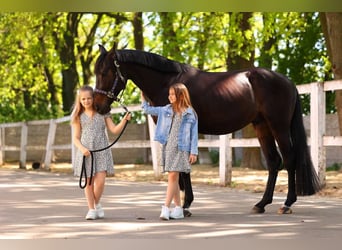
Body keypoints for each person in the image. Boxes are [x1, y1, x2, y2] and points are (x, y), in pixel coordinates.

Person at [71, 85, 131, 220]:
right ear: (79, 100)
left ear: (94, 98)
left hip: (101, 150)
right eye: (83, 99)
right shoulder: (78, 116)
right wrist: (82, 149)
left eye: (89, 98)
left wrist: (124, 120)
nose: (86, 101)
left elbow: (114, 130)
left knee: (101, 181)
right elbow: (75, 138)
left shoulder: (103, 112)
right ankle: (92, 209)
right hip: (86, 151)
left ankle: (96, 204)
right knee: (88, 182)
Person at [141, 83, 198, 220]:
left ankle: (165, 207)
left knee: (173, 176)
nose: (169, 97)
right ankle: (178, 209)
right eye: (170, 94)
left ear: (180, 95)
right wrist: (143, 97)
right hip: (168, 147)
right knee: (174, 178)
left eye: (172, 94)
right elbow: (148, 110)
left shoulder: (190, 113)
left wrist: (193, 152)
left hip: (182, 149)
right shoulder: (166, 110)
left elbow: (194, 134)